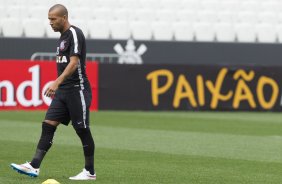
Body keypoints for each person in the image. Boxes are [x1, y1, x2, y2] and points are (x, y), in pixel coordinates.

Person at [10, 4, 96, 181]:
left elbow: (74, 63)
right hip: (63, 92)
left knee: (81, 128)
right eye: (49, 19)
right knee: (48, 124)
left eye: (53, 19)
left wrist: (56, 83)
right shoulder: (62, 37)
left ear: (64, 17)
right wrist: (59, 86)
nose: (50, 22)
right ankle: (34, 166)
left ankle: (89, 172)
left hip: (77, 89)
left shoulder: (74, 33)